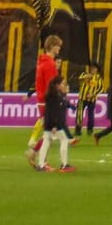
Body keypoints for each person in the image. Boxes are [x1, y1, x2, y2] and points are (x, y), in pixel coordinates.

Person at [24, 35, 64, 165]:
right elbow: (51, 85)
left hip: (42, 100)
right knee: (50, 133)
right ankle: (39, 158)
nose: (59, 49)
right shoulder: (49, 64)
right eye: (58, 46)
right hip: (47, 101)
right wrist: (56, 100)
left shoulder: (43, 62)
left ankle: (36, 155)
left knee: (50, 132)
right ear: (52, 47)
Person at [34, 66, 74, 173]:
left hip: (50, 123)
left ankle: (41, 165)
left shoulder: (55, 95)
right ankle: (64, 165)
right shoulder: (55, 97)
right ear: (57, 85)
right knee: (64, 140)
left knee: (46, 141)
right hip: (54, 124)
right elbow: (53, 112)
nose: (65, 85)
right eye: (63, 84)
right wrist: (55, 125)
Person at [74, 59, 105, 142]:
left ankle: (90, 129)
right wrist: (86, 76)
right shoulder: (85, 74)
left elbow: (101, 88)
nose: (93, 69)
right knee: (79, 114)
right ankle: (78, 130)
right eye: (92, 68)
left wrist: (93, 94)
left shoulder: (98, 77)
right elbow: (79, 79)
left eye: (94, 68)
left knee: (91, 115)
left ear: (97, 69)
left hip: (92, 99)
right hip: (82, 98)